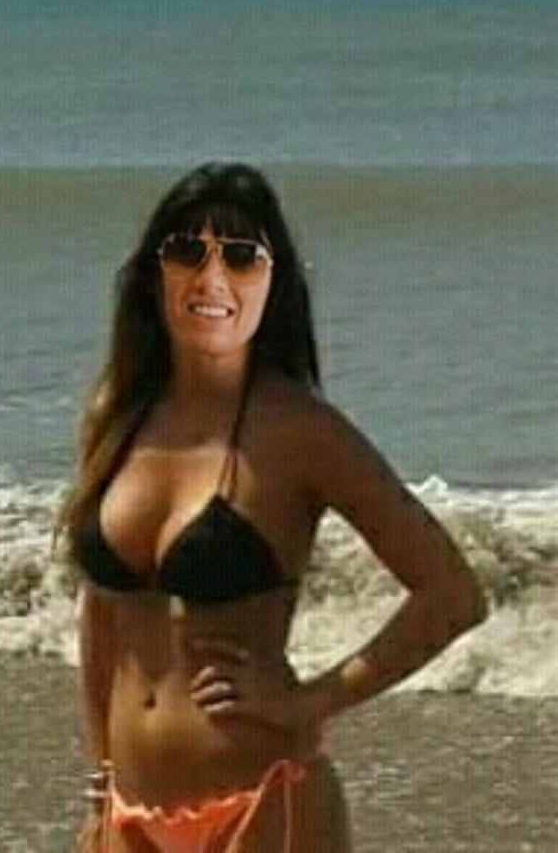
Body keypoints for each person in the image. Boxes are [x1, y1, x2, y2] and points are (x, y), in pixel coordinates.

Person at [58, 162, 487, 852]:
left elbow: (452, 593)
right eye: (187, 250)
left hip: (263, 805)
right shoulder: (120, 414)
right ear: (153, 274)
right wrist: (100, 783)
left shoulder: (299, 431)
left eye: (240, 256)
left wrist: (311, 700)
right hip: (130, 819)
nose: (212, 276)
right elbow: (102, 612)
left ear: (272, 282)